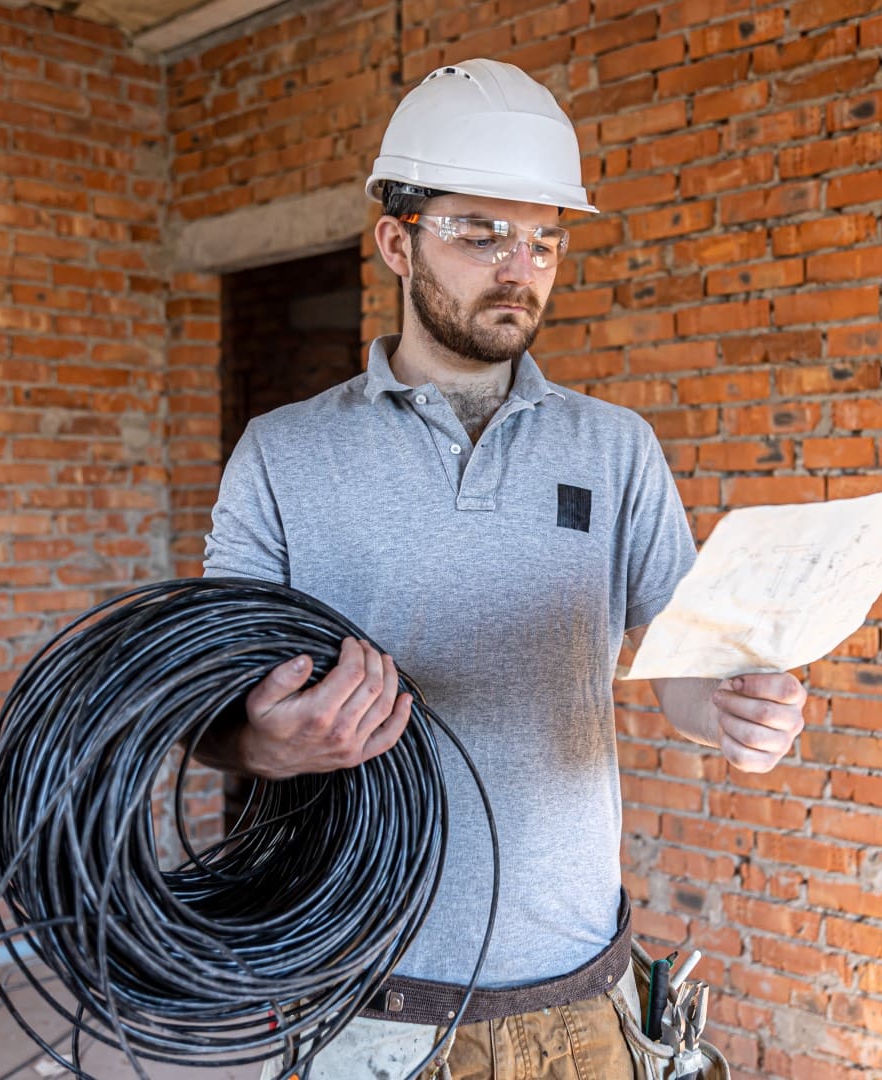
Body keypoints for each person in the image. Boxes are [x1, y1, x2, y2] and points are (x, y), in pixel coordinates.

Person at [198, 58, 807, 1080]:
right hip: (365, 1004)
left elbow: (686, 659)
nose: (518, 266)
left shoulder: (615, 447)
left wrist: (741, 713)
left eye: (543, 240)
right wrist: (271, 742)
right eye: (480, 234)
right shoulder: (282, 453)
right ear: (398, 242)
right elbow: (206, 709)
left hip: (581, 994)